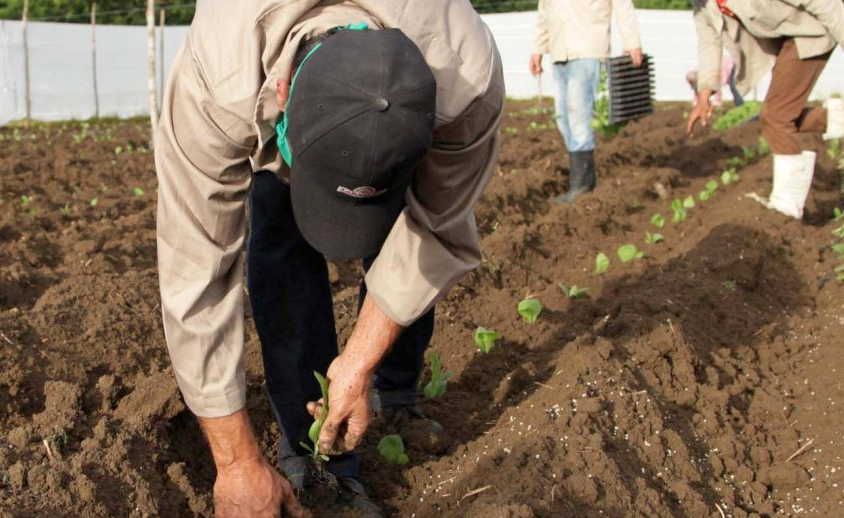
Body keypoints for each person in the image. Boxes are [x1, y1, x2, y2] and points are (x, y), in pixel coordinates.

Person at [154, 1, 504, 516]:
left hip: (425, 85)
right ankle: (308, 448)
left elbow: (434, 225)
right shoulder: (218, 81)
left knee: (403, 235)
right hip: (256, 82)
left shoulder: (466, 78)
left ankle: (397, 392)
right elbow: (195, 274)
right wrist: (234, 463)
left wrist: (359, 361)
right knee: (280, 230)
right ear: (281, 93)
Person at [687, 0, 844, 219]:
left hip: (811, 34)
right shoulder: (702, 5)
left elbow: (824, 2)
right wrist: (704, 95)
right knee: (780, 117)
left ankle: (786, 207)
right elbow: (709, 43)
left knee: (775, 117)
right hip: (788, 39)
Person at [528, 0, 644, 203]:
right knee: (563, 118)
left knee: (578, 118)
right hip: (559, 51)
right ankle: (580, 181)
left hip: (587, 48)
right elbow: (544, 11)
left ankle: (583, 186)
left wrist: (632, 42)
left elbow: (622, 4)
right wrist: (538, 49)